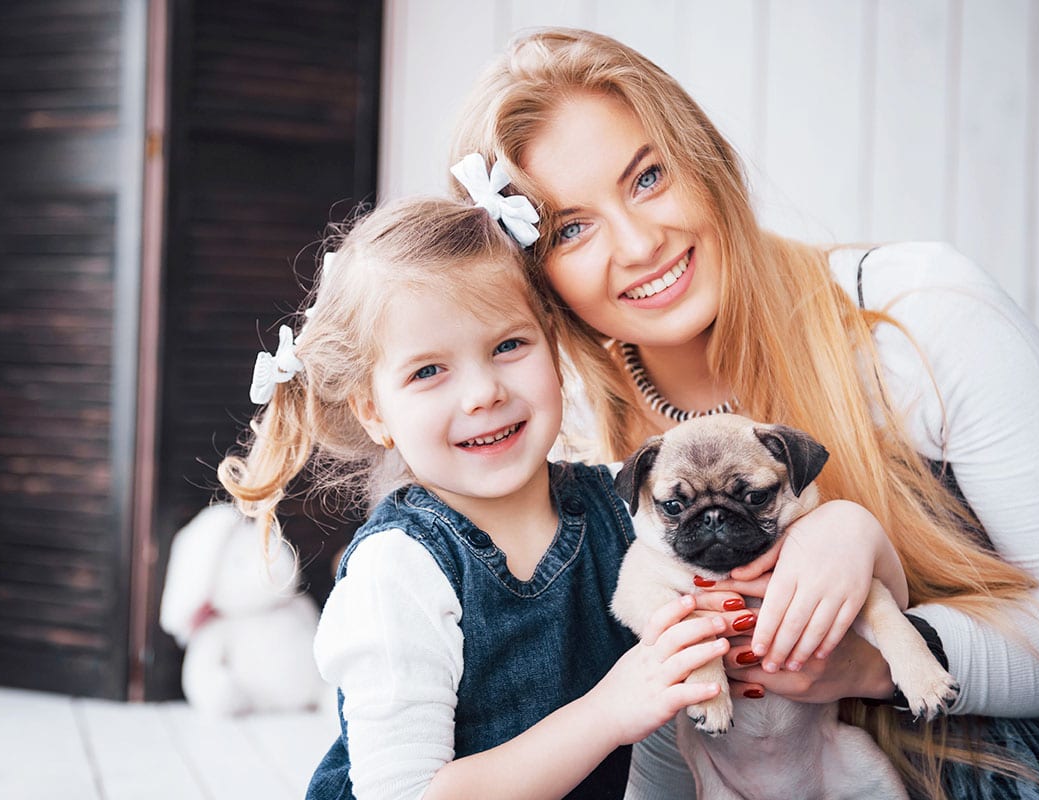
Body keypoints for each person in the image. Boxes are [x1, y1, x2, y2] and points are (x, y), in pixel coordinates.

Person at [449, 27, 1039, 800]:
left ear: (706, 157)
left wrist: (873, 659)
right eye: (571, 227)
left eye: (648, 177)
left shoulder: (914, 315)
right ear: (537, 278)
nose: (638, 243)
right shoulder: (578, 448)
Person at [217, 186, 746, 800]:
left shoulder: (629, 504)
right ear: (374, 412)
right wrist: (608, 712)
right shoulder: (398, 572)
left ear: (553, 346)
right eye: (428, 371)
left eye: (508, 346)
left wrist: (834, 536)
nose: (482, 393)